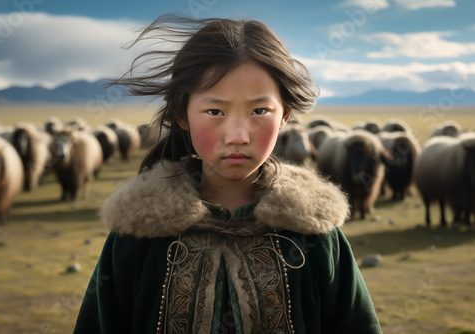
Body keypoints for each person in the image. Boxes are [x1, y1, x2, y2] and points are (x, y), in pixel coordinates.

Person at [73, 15, 382, 334]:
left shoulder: (315, 236)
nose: (237, 135)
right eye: (215, 111)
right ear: (182, 115)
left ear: (285, 116)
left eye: (259, 111)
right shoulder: (136, 236)